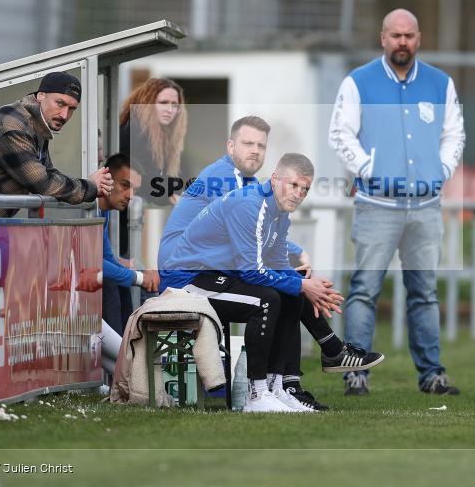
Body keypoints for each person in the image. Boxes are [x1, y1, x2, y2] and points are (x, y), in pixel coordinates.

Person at [158, 116, 383, 410]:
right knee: (270, 298)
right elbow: (251, 252)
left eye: (261, 146)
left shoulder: (269, 200)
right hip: (187, 276)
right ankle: (260, 392)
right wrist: (303, 281)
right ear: (231, 145)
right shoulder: (228, 181)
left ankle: (284, 386)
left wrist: (304, 286)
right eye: (247, 143)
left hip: (218, 269)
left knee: (289, 293)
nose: (254, 151)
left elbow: (267, 251)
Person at [328, 8, 466, 396]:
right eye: (395, 35)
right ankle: (356, 373)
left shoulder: (440, 84)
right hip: (376, 207)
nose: (402, 42)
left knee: (424, 292)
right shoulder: (359, 82)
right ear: (382, 38)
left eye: (408, 35)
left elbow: (454, 134)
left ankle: (432, 375)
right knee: (364, 290)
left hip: (425, 208)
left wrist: (441, 170)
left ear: (419, 38)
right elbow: (340, 136)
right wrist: (368, 168)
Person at [0, 70, 113, 216]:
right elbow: (42, 182)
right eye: (60, 103)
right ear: (40, 95)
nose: (64, 115)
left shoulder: (36, 123)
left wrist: (92, 184)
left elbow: (48, 172)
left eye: (71, 108)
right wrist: (89, 186)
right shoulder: (13, 122)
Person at [118, 77, 187, 258]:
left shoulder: (156, 132)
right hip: (117, 214)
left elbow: (158, 177)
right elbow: (144, 178)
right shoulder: (137, 129)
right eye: (163, 103)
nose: (170, 109)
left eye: (174, 105)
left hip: (127, 212)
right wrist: (170, 193)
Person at [96, 153, 160, 335]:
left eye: (135, 190)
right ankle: (121, 357)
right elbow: (92, 262)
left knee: (122, 282)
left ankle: (126, 350)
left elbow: (106, 257)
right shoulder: (88, 205)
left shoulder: (103, 212)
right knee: (111, 282)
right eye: (125, 185)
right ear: (106, 179)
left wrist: (135, 275)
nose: (130, 196)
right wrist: (139, 278)